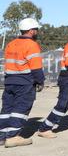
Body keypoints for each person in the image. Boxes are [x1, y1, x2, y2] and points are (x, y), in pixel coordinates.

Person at [0, 18, 45, 148]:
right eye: (36, 30)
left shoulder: (11, 43)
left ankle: (2, 136)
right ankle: (13, 137)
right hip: (24, 82)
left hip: (9, 82)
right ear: (31, 31)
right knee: (20, 108)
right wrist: (40, 81)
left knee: (7, 109)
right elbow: (35, 67)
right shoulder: (31, 45)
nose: (37, 32)